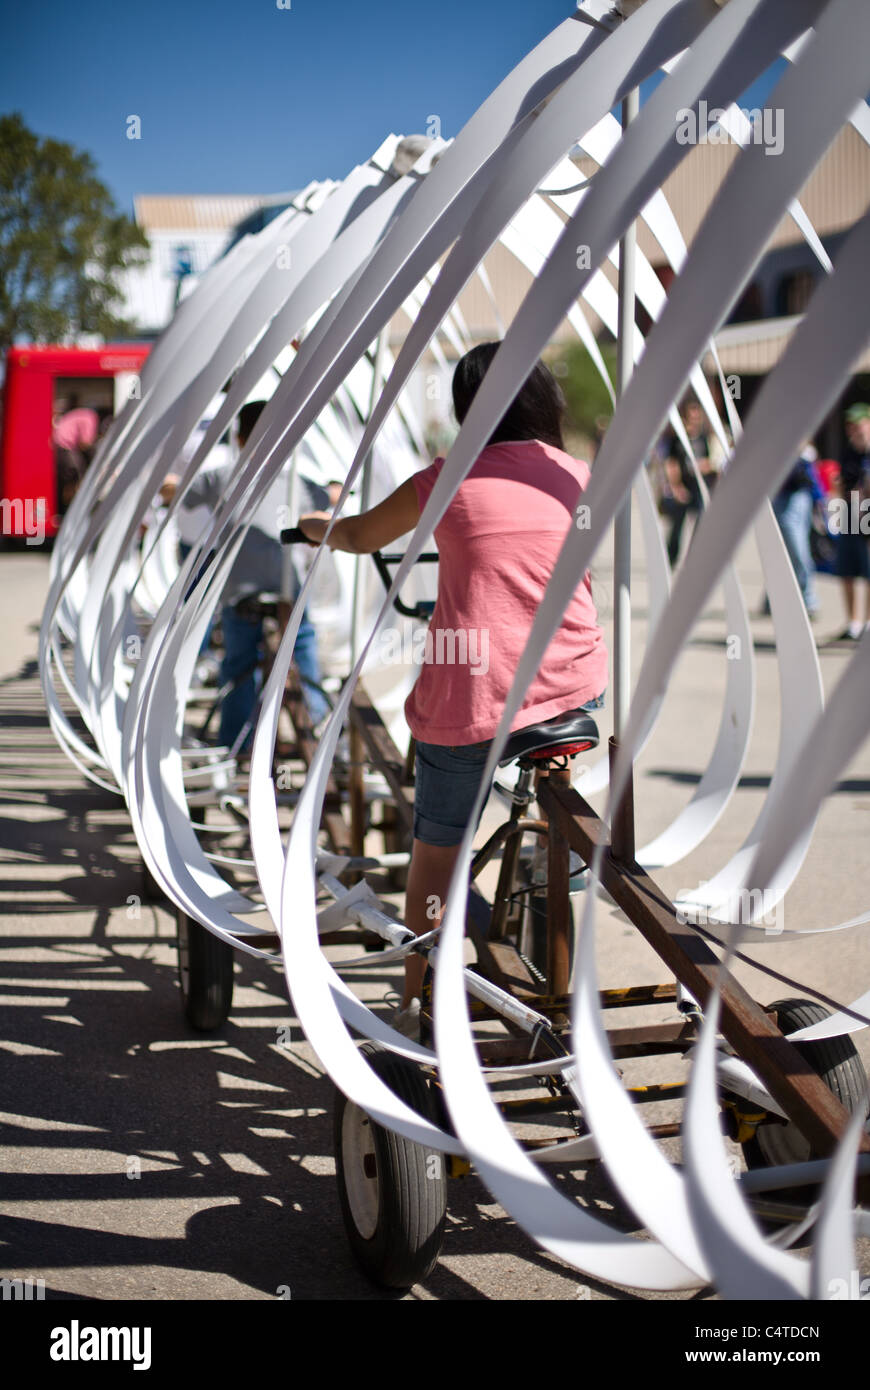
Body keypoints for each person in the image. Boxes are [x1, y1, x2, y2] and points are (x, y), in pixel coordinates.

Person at [299, 343, 608, 1038]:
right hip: (570, 688)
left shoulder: (446, 478)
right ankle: (550, 876)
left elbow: (353, 535)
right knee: (559, 816)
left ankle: (419, 1000)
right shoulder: (580, 476)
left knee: (438, 854)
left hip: (472, 693)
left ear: (468, 407)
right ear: (544, 402)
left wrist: (317, 527)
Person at [162, 401, 331, 751]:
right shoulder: (296, 479)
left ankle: (236, 741)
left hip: (240, 591)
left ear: (239, 439)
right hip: (288, 590)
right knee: (303, 645)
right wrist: (335, 488)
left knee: (239, 660)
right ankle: (318, 721)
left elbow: (179, 494)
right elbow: (325, 498)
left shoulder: (220, 477)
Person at [656, 398, 724, 567]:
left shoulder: (705, 438)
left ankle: (695, 559)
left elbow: (715, 461)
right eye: (691, 416)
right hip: (682, 486)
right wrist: (676, 487)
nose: (694, 420)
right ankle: (670, 560)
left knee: (702, 520)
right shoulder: (677, 438)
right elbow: (670, 463)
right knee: (677, 526)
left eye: (697, 416)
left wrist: (704, 466)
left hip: (700, 487)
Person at [832, 402, 870, 641]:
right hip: (848, 514)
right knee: (846, 570)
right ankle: (853, 623)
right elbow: (840, 483)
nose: (853, 428)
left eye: (857, 423)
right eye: (850, 424)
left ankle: (867, 623)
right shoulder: (848, 452)